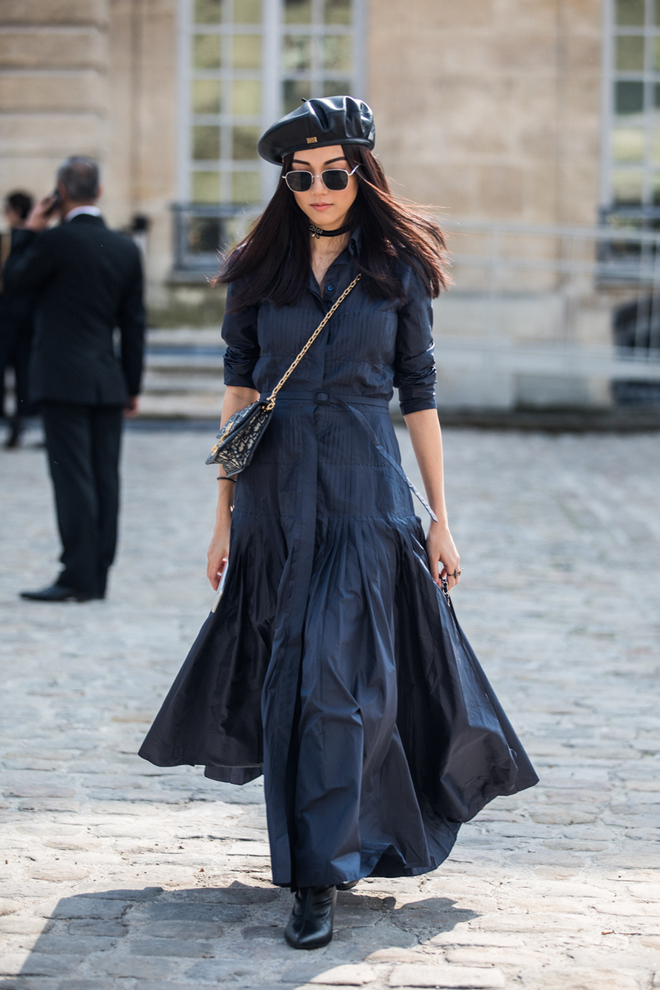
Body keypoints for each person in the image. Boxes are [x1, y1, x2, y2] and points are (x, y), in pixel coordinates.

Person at [139, 97, 538, 949]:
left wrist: (440, 518)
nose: (317, 187)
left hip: (365, 501)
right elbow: (239, 396)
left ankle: (318, 876)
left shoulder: (396, 272)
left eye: (333, 171)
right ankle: (320, 858)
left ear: (361, 173)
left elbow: (419, 395)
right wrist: (223, 518)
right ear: (286, 182)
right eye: (300, 175)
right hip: (277, 506)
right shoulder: (257, 272)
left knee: (336, 687)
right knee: (294, 689)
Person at [3, 157, 145, 602]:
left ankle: (76, 576)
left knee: (72, 478)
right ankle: (97, 574)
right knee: (106, 477)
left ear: (60, 193)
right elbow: (134, 324)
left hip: (62, 380)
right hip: (107, 380)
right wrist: (133, 385)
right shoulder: (125, 248)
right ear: (99, 192)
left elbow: (13, 282)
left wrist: (28, 230)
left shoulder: (54, 242)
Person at [0, 191, 36, 448]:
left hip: (15, 317)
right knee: (20, 374)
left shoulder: (22, 240)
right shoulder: (34, 240)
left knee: (21, 374)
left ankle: (17, 422)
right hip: (18, 317)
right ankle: (16, 421)